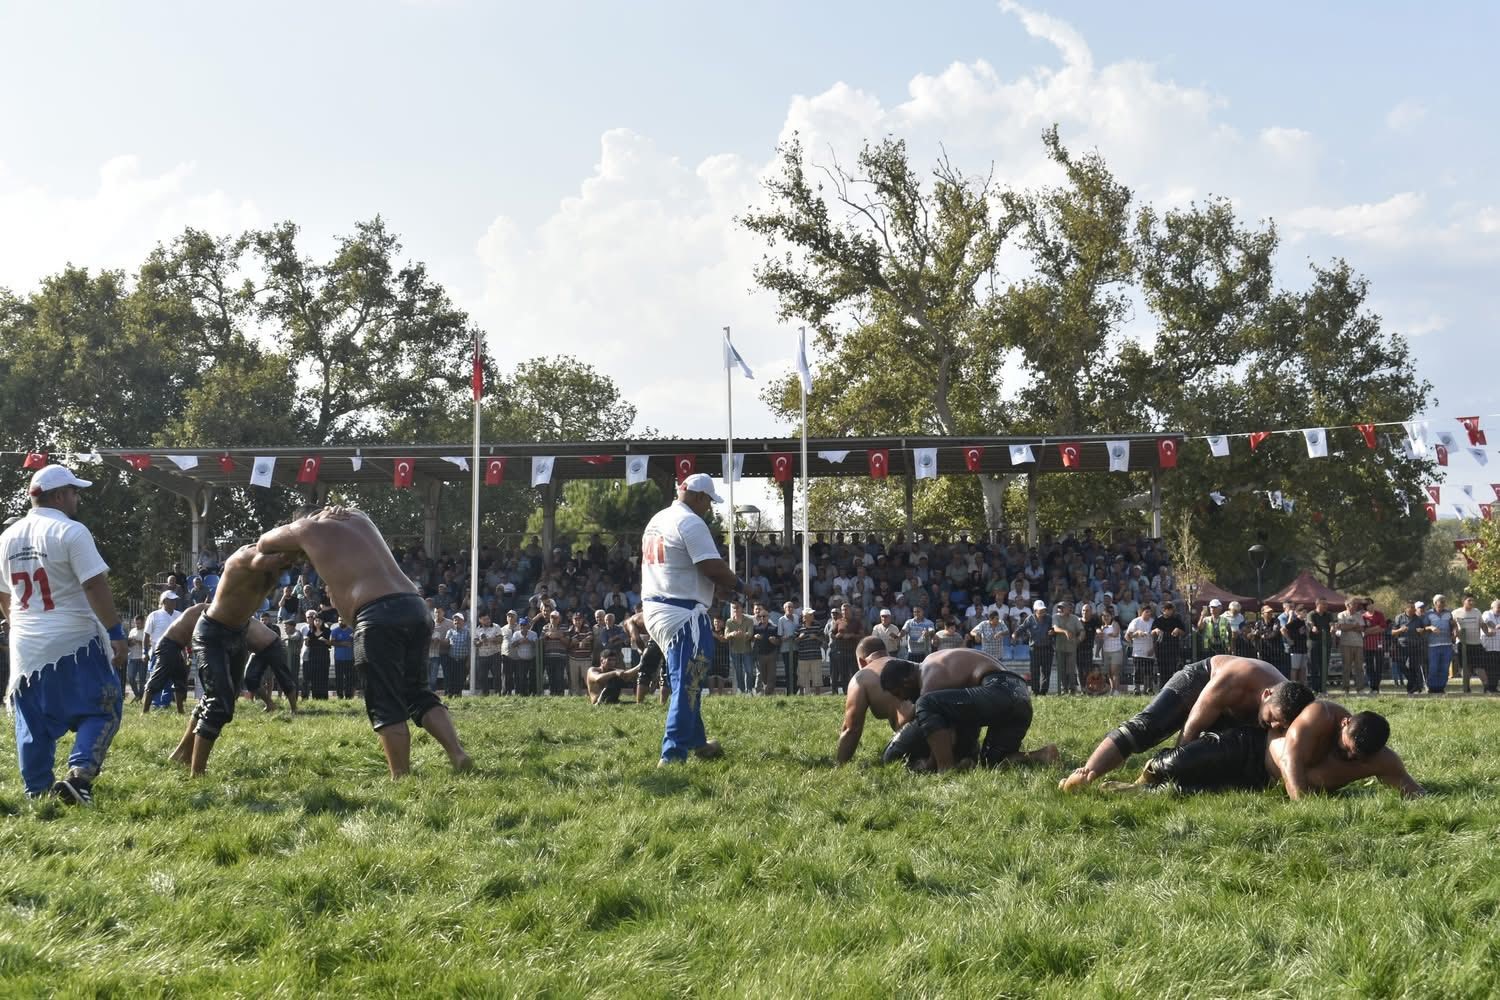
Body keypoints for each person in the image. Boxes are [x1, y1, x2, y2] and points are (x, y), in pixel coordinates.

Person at [257, 507, 469, 777]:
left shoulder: (306, 528)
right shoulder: (357, 515)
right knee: (418, 691)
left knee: (385, 700)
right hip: (415, 607)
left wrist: (296, 531)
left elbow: (264, 542)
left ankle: (400, 777)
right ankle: (458, 755)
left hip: (377, 614)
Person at [0, 464, 127, 804]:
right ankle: (80, 776)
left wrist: (19, 627)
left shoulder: (7, 537)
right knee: (104, 707)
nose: (77, 498)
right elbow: (94, 583)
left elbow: (4, 594)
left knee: (33, 723)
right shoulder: (71, 531)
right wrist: (115, 632)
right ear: (58, 495)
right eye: (74, 492)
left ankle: (37, 795)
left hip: (26, 645)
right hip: (74, 641)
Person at [1060, 655, 1312, 791]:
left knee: (1223, 759)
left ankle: (1141, 786)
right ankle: (1086, 774)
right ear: (1266, 694)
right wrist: (1174, 762)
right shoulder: (1237, 679)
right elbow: (1191, 728)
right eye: (1270, 720)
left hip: (1229, 713)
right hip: (1198, 681)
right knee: (1147, 728)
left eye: (1279, 726)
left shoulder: (1288, 701)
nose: (1270, 727)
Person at [165, 543, 291, 776]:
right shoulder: (247, 556)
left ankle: (182, 753)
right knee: (219, 703)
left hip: (237, 632)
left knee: (228, 696)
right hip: (212, 633)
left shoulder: (278, 562)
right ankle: (197, 775)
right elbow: (272, 559)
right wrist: (305, 541)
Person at [639, 474, 739, 765]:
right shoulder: (691, 521)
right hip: (683, 613)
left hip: (656, 608)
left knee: (684, 680)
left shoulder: (657, 519)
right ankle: (672, 755)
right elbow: (712, 566)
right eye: (708, 501)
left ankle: (698, 742)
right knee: (689, 684)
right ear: (698, 497)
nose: (709, 508)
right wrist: (742, 586)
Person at [878, 648, 1058, 772]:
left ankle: (945, 768)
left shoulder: (929, 675)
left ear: (906, 681)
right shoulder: (936, 662)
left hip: (1001, 689)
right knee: (992, 762)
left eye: (899, 693)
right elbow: (958, 714)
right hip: (1020, 696)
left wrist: (930, 763)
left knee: (926, 704)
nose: (903, 699)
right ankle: (1043, 755)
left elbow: (935, 722)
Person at [835, 636, 916, 764]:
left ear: (861, 661)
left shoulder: (862, 677)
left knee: (889, 758)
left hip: (916, 736)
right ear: (887, 653)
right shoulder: (908, 665)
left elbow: (852, 729)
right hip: (940, 728)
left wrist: (839, 763)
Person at [1391, 600, 1426, 696]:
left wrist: (1421, 631)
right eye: (1411, 607)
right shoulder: (1399, 618)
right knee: (1401, 666)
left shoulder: (1418, 619)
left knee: (1414, 667)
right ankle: (1415, 683)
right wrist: (1400, 630)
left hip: (1415, 646)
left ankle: (1411, 689)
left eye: (1414, 608)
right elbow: (1392, 632)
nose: (1413, 609)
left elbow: (1423, 631)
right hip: (1402, 646)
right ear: (1405, 608)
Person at [1424, 595, 1457, 695]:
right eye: (1441, 601)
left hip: (1447, 645)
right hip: (1433, 646)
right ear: (1435, 603)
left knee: (1444, 668)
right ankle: (1432, 688)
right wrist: (1431, 627)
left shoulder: (1448, 613)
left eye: (1444, 601)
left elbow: (1453, 624)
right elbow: (1423, 627)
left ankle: (1441, 688)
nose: (1443, 603)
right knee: (1433, 667)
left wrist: (1455, 631)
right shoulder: (1428, 614)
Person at [1454, 594, 1486, 694]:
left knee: (1480, 667)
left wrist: (1488, 631)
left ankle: (1487, 687)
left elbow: (1482, 624)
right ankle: (1466, 688)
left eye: (1473, 600)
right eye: (1469, 600)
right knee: (1465, 667)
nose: (1472, 602)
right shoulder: (1455, 613)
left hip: (1476, 643)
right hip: (1463, 644)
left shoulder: (1477, 612)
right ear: (1464, 601)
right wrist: (1455, 632)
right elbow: (1453, 626)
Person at [1335, 599, 1367, 695]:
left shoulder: (1359, 615)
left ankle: (1360, 688)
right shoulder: (1341, 614)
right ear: (1347, 605)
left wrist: (1349, 626)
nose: (1356, 605)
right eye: (1354, 604)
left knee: (1359, 667)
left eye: (1357, 604)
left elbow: (1362, 628)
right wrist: (1354, 626)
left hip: (1358, 644)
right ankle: (1346, 688)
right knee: (1346, 667)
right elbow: (1341, 627)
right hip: (1346, 643)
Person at [1051, 600, 1083, 695]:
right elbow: (1055, 628)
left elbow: (1081, 630)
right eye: (1059, 607)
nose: (1059, 609)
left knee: (1071, 670)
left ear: (1069, 609)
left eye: (1062, 607)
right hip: (1060, 647)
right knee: (1061, 669)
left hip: (1071, 647)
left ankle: (1072, 689)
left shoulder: (1074, 618)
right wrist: (1065, 631)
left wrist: (1079, 639)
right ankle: (1063, 689)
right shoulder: (1055, 617)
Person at [723, 601, 754, 694]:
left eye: (737, 607)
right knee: (739, 672)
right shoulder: (729, 621)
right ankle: (742, 690)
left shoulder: (749, 620)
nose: (735, 609)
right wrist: (732, 634)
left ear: (742, 609)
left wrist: (742, 634)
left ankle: (749, 690)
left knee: (749, 671)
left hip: (746, 650)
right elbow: (726, 635)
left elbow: (750, 634)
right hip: (735, 650)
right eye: (733, 608)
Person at [750, 604, 780, 695]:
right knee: (760, 675)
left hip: (771, 653)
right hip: (760, 654)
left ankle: (768, 693)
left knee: (771, 675)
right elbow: (750, 640)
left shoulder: (774, 628)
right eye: (760, 616)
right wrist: (754, 637)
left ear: (768, 617)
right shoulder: (756, 628)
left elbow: (779, 642)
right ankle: (758, 692)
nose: (762, 618)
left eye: (764, 616)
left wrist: (774, 641)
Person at [794, 609, 825, 695]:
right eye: (810, 615)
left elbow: (823, 639)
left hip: (816, 656)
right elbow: (794, 641)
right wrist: (800, 637)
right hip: (803, 657)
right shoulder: (798, 627)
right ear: (805, 617)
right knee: (802, 678)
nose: (813, 616)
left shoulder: (818, 626)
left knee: (817, 678)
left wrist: (816, 637)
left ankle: (817, 696)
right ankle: (801, 695)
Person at [330, 615, 356, 699]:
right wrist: (343, 644)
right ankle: (339, 695)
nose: (340, 622)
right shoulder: (334, 631)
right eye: (339, 620)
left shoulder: (351, 631)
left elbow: (355, 642)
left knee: (349, 678)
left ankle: (349, 695)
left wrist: (349, 644)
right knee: (339, 678)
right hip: (338, 658)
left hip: (350, 658)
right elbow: (332, 642)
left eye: (342, 620)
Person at [125, 614, 148, 702]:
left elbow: (148, 644)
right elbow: (128, 644)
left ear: (143, 623)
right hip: (132, 657)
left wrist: (138, 642)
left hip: (142, 658)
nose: (137, 625)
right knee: (130, 677)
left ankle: (139, 697)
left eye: (138, 623)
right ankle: (137, 695)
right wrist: (130, 642)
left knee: (142, 680)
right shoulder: (132, 631)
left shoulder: (146, 632)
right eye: (135, 623)